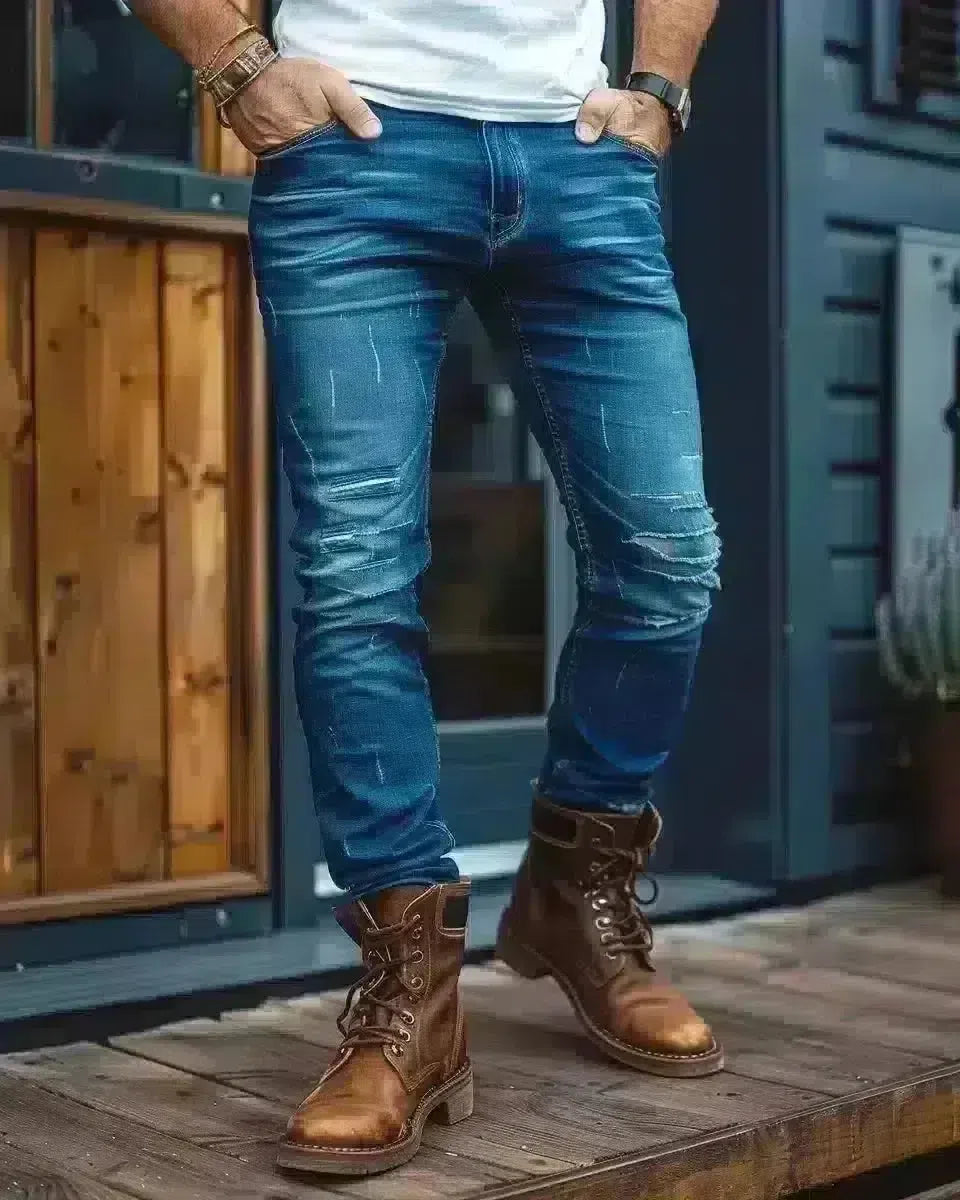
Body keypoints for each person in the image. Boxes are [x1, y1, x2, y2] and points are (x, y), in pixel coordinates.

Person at [130, 0, 722, 1176]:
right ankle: (415, 989)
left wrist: (659, 87)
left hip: (582, 150)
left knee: (668, 560)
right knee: (357, 579)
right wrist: (237, 61)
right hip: (354, 142)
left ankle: (570, 888)